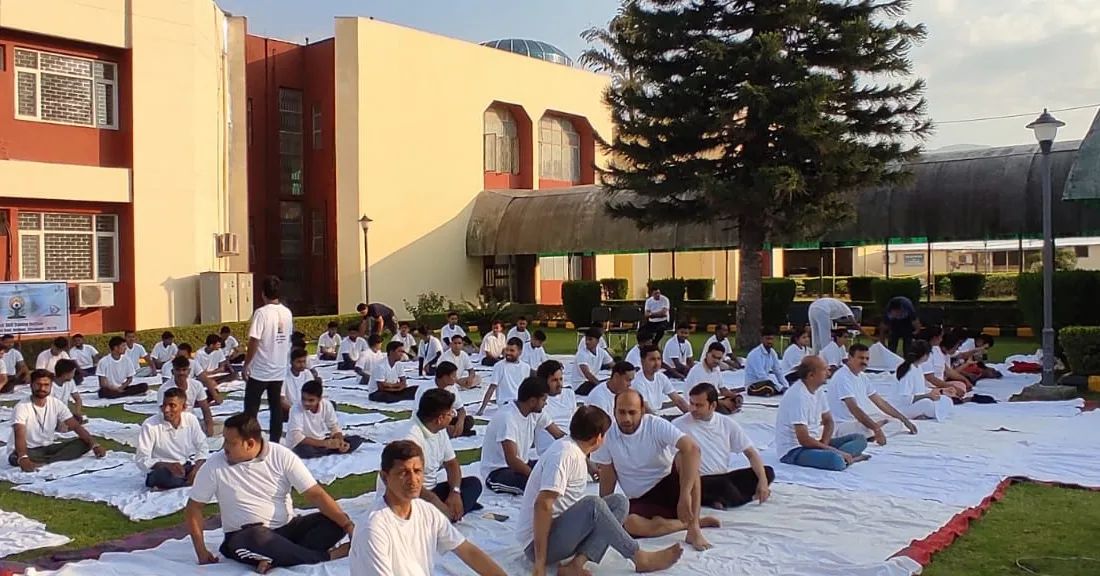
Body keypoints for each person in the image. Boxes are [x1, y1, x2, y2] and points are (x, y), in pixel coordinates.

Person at [520, 406, 684, 576]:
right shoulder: (564, 455)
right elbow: (542, 505)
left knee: (619, 502)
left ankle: (576, 565)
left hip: (557, 532)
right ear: (598, 438)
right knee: (593, 504)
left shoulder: (575, 451)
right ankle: (638, 557)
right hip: (537, 545)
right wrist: (540, 562)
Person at [185, 414, 353, 572]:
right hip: (245, 537)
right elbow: (194, 508)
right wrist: (201, 550)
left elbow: (315, 494)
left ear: (250, 443)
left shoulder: (281, 455)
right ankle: (327, 556)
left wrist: (348, 526)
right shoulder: (214, 465)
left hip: (287, 529)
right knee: (257, 537)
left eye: (230, 442)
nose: (224, 447)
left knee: (335, 521)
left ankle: (277, 557)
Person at [349, 440, 505, 576]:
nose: (413, 480)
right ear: (385, 477)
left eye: (417, 471)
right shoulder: (373, 529)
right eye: (403, 473)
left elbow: (467, 551)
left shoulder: (426, 511)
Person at [592, 389, 716, 550]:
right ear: (614, 411)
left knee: (685, 458)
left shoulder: (655, 425)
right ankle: (683, 524)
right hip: (641, 498)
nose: (626, 418)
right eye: (621, 412)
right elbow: (607, 475)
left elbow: (692, 449)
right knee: (629, 524)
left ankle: (694, 528)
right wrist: (606, 511)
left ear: (642, 411)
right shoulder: (608, 436)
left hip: (669, 486)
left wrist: (685, 495)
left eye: (632, 412)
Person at [674, 383, 774, 509]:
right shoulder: (679, 425)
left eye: (699, 405)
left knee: (767, 472)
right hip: (698, 480)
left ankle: (718, 499)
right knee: (723, 485)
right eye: (691, 403)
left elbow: (750, 453)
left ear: (713, 405)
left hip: (723, 475)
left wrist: (763, 482)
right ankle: (746, 498)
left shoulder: (726, 423)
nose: (693, 408)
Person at [391, 388, 483, 518]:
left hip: (430, 492)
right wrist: (438, 504)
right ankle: (445, 517)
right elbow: (408, 483)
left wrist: (455, 493)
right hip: (408, 496)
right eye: (450, 413)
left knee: (473, 484)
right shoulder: (410, 438)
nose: (453, 416)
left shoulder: (439, 430)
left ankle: (446, 515)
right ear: (440, 419)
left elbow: (452, 464)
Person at [775, 356, 869, 471]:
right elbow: (803, 439)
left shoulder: (818, 391)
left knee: (860, 439)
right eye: (824, 369)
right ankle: (849, 458)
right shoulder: (798, 396)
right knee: (835, 460)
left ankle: (844, 457)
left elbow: (829, 421)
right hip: (795, 450)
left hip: (815, 443)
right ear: (811, 375)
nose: (828, 372)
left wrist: (824, 444)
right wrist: (831, 450)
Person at [7, 369, 105, 470]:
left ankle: (46, 460)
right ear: (31, 385)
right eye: (38, 384)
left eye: (46, 385)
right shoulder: (22, 407)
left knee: (85, 443)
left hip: (48, 448)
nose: (42, 388)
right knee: (15, 457)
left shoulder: (56, 403)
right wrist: (23, 457)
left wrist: (95, 445)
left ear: (51, 386)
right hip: (29, 450)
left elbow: (75, 426)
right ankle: (27, 458)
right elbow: (19, 433)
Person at [480, 377, 563, 494]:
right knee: (537, 486)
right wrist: (535, 477)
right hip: (499, 471)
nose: (546, 403)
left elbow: (559, 435)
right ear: (533, 401)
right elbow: (512, 460)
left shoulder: (536, 413)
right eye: (544, 400)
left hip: (522, 464)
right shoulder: (507, 418)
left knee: (555, 465)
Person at [827, 344, 918, 444]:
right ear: (850, 357)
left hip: (859, 422)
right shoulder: (842, 377)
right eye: (861, 358)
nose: (864, 362)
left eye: (867, 358)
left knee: (897, 423)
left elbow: (880, 402)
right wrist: (876, 428)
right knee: (866, 428)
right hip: (843, 425)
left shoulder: (862, 376)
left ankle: (871, 434)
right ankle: (870, 434)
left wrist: (905, 420)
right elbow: (854, 408)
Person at [243, 275, 294, 443]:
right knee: (276, 408)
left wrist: (246, 364)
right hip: (279, 368)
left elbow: (254, 341)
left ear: (263, 293)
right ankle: (275, 442)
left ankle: (250, 440)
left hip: (260, 370)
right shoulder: (287, 313)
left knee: (251, 410)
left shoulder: (261, 313)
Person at [136, 387, 209, 490]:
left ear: (183, 407)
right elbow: (141, 459)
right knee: (162, 476)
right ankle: (187, 482)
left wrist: (196, 469)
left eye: (172, 406)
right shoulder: (150, 425)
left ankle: (185, 480)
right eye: (164, 405)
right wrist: (167, 465)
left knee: (211, 469)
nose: (166, 410)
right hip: (161, 469)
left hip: (184, 467)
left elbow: (202, 446)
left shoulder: (190, 419)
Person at [284, 380, 365, 459]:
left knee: (356, 439)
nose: (306, 403)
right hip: (303, 444)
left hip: (321, 441)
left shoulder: (326, 405)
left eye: (311, 400)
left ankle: (330, 449)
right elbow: (296, 436)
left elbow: (334, 426)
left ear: (319, 399)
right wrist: (324, 444)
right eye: (303, 399)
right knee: (304, 450)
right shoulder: (296, 408)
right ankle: (328, 450)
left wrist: (340, 442)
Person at [414, 361, 476, 438]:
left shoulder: (452, 388)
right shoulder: (425, 389)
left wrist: (460, 422)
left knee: (469, 421)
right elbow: (420, 414)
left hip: (447, 419)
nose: (456, 379)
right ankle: (448, 432)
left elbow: (461, 409)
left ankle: (452, 431)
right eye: (453, 376)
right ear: (445, 377)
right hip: (432, 421)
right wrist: (444, 427)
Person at [894, 341, 953, 421]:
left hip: (918, 401)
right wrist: (927, 396)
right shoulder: (908, 371)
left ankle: (923, 413)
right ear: (924, 355)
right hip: (904, 408)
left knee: (946, 400)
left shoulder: (918, 367)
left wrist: (941, 391)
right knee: (927, 404)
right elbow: (905, 399)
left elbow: (921, 389)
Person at [160, 356, 216, 436]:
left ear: (189, 371)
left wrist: (209, 427)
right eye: (178, 370)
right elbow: (165, 413)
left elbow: (205, 409)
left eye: (184, 370)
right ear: (173, 372)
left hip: (191, 420)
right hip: (171, 422)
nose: (181, 373)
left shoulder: (196, 385)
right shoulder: (164, 389)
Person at [475, 337, 531, 416]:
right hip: (506, 403)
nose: (508, 353)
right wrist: (482, 409)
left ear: (520, 352)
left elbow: (526, 389)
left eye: (512, 351)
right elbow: (492, 388)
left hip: (520, 402)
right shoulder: (499, 366)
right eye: (507, 350)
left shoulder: (526, 367)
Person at [685, 342, 743, 414]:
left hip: (711, 400)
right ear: (707, 355)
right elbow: (700, 397)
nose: (716, 360)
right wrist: (722, 403)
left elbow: (722, 389)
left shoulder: (716, 368)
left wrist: (736, 396)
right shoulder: (697, 371)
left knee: (732, 402)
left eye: (719, 358)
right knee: (725, 409)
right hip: (697, 403)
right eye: (713, 357)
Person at [631, 345, 690, 414]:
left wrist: (691, 415)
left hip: (657, 414)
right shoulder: (637, 381)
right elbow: (645, 409)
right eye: (652, 359)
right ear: (642, 361)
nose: (657, 363)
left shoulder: (661, 377)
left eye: (658, 359)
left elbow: (678, 400)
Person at [535, 360, 578, 454]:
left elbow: (575, 422)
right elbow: (556, 433)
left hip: (571, 443)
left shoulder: (569, 394)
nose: (559, 384)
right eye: (554, 380)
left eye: (561, 379)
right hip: (550, 449)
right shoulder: (539, 401)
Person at [920, 327, 968, 398]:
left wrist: (964, 379)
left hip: (941, 385)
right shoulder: (924, 352)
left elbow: (948, 370)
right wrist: (951, 387)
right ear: (935, 338)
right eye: (941, 337)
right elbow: (930, 378)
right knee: (953, 390)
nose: (942, 339)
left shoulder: (936, 349)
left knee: (961, 385)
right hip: (928, 388)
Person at [744, 327, 787, 396]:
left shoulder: (773, 353)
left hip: (766, 383)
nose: (770, 341)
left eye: (771, 339)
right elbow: (761, 375)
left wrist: (786, 386)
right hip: (753, 385)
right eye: (767, 339)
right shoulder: (755, 354)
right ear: (761, 339)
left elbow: (778, 371)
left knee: (773, 387)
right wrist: (779, 387)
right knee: (770, 387)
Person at [572, 327, 613, 396]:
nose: (587, 342)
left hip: (591, 382)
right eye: (586, 339)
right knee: (607, 389)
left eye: (590, 339)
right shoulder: (581, 353)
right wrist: (600, 386)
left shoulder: (601, 352)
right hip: (580, 385)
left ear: (597, 341)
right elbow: (587, 374)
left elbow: (613, 365)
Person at [283, 348, 322, 415]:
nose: (302, 365)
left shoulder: (307, 373)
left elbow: (313, 393)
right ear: (291, 362)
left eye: (304, 361)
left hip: (307, 406)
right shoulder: (283, 375)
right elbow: (281, 400)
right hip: (290, 409)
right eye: (299, 362)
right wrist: (295, 412)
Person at [50, 359, 84, 424]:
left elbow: (78, 399)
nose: (74, 375)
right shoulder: (49, 386)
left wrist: (77, 412)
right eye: (73, 372)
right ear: (66, 374)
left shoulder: (70, 382)